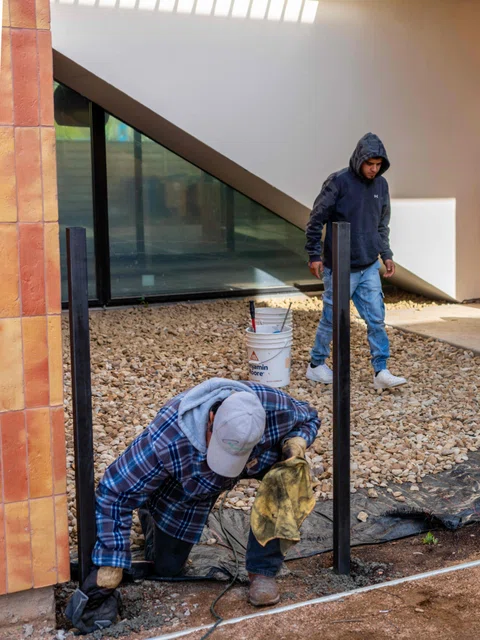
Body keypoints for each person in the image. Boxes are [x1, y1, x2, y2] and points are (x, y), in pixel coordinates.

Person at [66, 379, 321, 633]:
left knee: (292, 475)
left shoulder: (275, 408)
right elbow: (115, 490)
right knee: (168, 567)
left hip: (255, 464)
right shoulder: (170, 436)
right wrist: (111, 563)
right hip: (189, 484)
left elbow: (310, 418)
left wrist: (297, 442)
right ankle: (151, 508)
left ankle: (263, 569)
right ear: (211, 418)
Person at [305, 132, 407, 390]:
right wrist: (314, 254)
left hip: (369, 265)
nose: (374, 169)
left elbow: (381, 224)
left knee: (376, 320)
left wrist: (386, 254)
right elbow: (316, 219)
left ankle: (381, 371)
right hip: (339, 267)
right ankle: (316, 364)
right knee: (331, 319)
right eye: (369, 164)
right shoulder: (338, 182)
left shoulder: (381, 186)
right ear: (359, 160)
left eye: (378, 165)